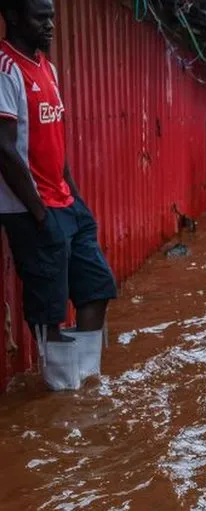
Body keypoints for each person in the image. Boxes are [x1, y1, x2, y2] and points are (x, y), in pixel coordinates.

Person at [0, 0, 117, 391]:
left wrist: (77, 199)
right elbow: (3, 148)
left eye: (52, 17)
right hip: (31, 209)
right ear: (13, 16)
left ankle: (85, 384)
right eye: (41, 17)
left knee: (97, 288)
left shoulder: (47, 67)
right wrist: (38, 211)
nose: (50, 25)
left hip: (67, 203)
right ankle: (61, 395)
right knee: (48, 310)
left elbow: (55, 141)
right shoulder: (5, 68)